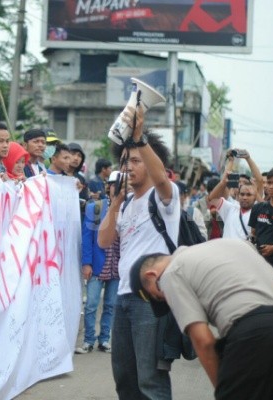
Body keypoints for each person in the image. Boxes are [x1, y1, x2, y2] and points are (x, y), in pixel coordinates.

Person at [130, 239, 273, 400]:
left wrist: (224, 390)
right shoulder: (236, 244)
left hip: (255, 333)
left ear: (151, 275)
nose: (165, 299)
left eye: (156, 296)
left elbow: (204, 342)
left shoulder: (171, 273)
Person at [98, 103, 178, 400]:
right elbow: (104, 242)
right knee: (125, 379)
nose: (128, 166)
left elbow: (160, 177)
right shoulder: (126, 203)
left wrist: (140, 135)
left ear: (150, 160)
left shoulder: (165, 196)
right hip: (123, 298)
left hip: (150, 299)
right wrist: (115, 203)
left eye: (135, 160)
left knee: (151, 382)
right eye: (124, 161)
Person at [76, 173, 120, 354]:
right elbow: (87, 238)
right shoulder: (95, 208)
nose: (117, 189)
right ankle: (88, 340)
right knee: (92, 304)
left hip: (118, 266)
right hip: (97, 264)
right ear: (107, 186)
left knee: (111, 305)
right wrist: (86, 263)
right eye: (114, 185)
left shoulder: (130, 209)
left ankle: (105, 339)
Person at [207, 169, 259, 240]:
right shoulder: (231, 208)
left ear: (255, 197)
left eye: (249, 195)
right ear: (238, 194)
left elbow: (260, 181)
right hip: (225, 250)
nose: (244, 197)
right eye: (242, 194)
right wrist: (222, 183)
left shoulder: (258, 213)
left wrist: (248, 159)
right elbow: (212, 198)